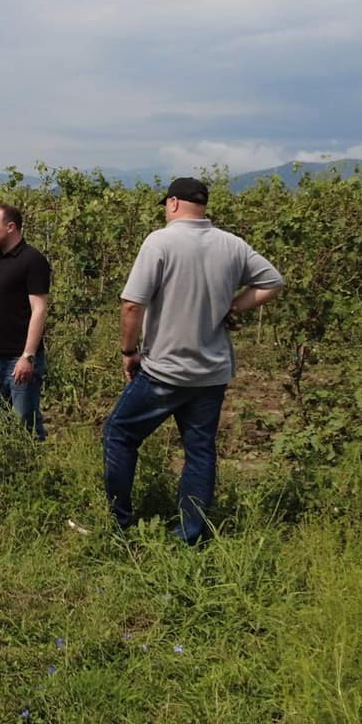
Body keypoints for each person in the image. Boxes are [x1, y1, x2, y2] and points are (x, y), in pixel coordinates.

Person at [102, 177, 284, 545]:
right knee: (199, 452)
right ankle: (189, 535)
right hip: (211, 373)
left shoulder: (160, 242)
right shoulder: (232, 245)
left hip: (164, 371)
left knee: (119, 434)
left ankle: (119, 523)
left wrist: (129, 352)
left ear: (172, 203)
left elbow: (132, 304)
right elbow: (273, 282)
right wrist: (235, 306)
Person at [0, 203, 52, 439]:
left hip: (18, 358)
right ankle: (0, 462)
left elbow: (39, 309)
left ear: (10, 227)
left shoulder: (33, 260)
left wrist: (28, 356)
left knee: (25, 422)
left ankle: (32, 461)